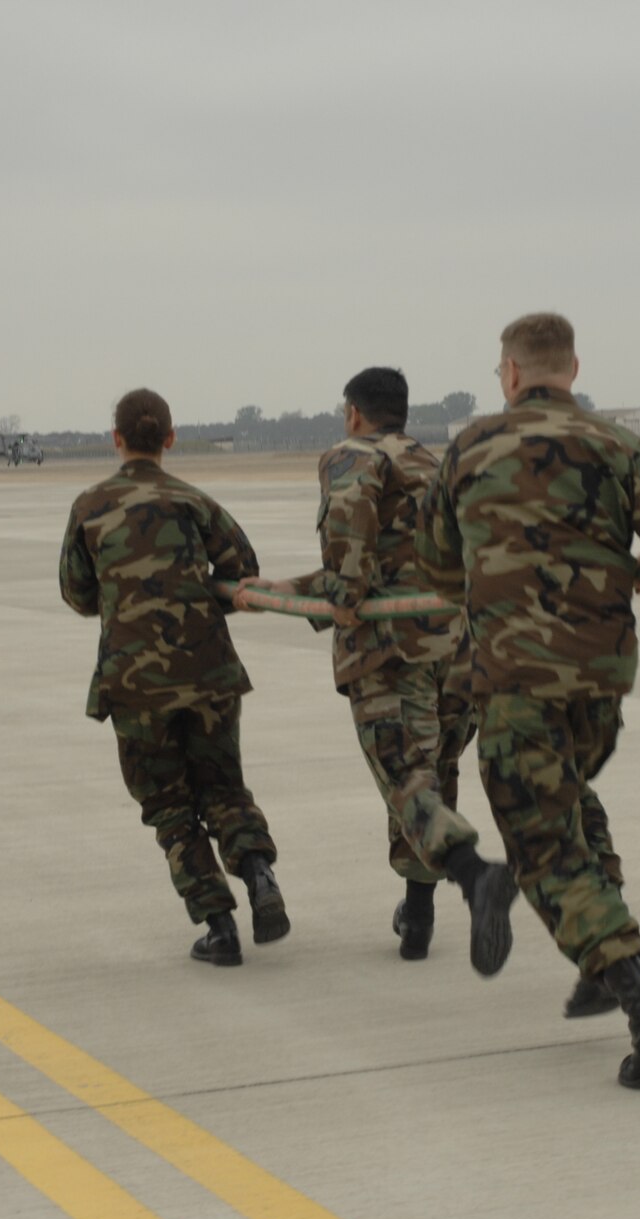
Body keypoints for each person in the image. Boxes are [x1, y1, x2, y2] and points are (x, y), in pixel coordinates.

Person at [416, 313, 640, 1088]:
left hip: (518, 682)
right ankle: (592, 970)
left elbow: (438, 565)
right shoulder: (621, 446)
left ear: (510, 374)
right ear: (572, 369)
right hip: (601, 679)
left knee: (544, 849)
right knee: (569, 805)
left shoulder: (471, 447)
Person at [237, 367, 511, 965]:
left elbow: (352, 555)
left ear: (354, 413)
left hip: (392, 654)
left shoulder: (351, 456)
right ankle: (417, 915)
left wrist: (340, 598)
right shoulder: (436, 465)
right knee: (431, 773)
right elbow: (419, 561)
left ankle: (472, 876)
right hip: (456, 650)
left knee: (404, 777)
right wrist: (288, 587)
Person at [60, 388, 288, 966]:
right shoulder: (193, 501)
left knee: (168, 805)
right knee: (224, 787)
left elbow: (77, 594)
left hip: (135, 682)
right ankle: (259, 874)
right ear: (170, 438)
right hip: (209, 671)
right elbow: (244, 574)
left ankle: (219, 925)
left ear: (116, 439)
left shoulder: (90, 506)